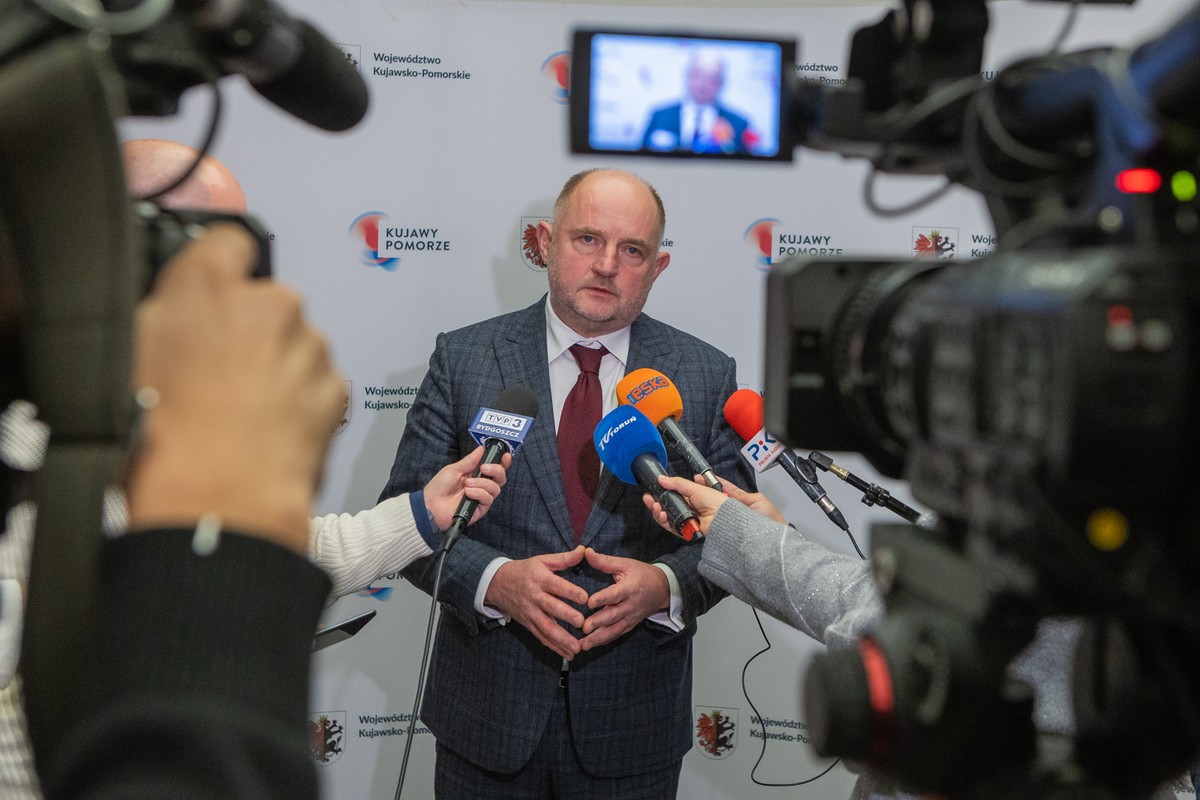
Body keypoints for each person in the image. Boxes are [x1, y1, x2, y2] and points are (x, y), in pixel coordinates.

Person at [0, 138, 510, 798]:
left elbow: (249, 549)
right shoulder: (26, 441)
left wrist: (421, 515)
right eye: (210, 248)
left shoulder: (156, 418)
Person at [378, 167, 756, 797]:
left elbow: (737, 537)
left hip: (632, 728)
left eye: (631, 250)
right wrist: (495, 582)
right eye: (587, 239)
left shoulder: (704, 373)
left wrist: (663, 587)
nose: (606, 265)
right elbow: (402, 516)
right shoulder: (465, 358)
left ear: (657, 268)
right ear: (545, 243)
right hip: (486, 720)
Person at [641, 52, 752, 155]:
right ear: (688, 77)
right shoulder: (660, 116)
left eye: (712, 79)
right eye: (697, 75)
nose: (703, 83)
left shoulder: (738, 124)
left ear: (721, 83)